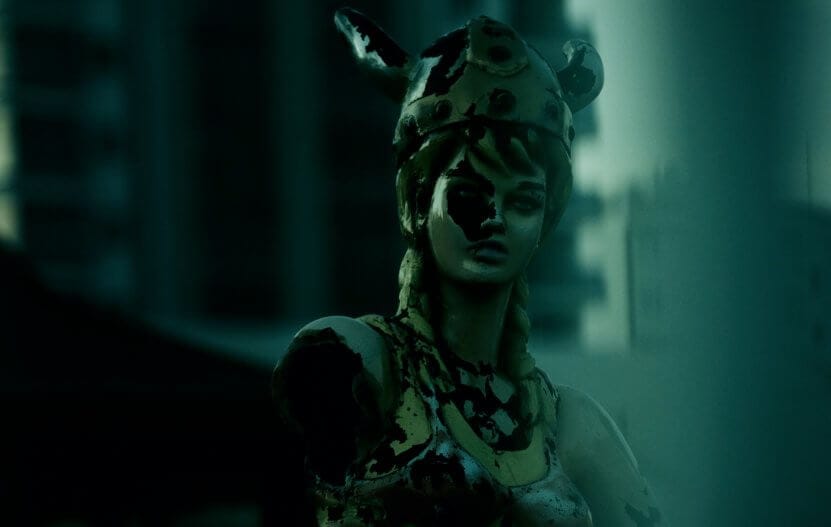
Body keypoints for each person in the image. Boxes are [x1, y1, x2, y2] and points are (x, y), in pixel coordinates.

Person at [272, 8, 662, 526]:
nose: (495, 218)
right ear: (417, 203)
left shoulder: (571, 425)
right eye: (468, 194)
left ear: (545, 221)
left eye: (524, 201)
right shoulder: (357, 362)